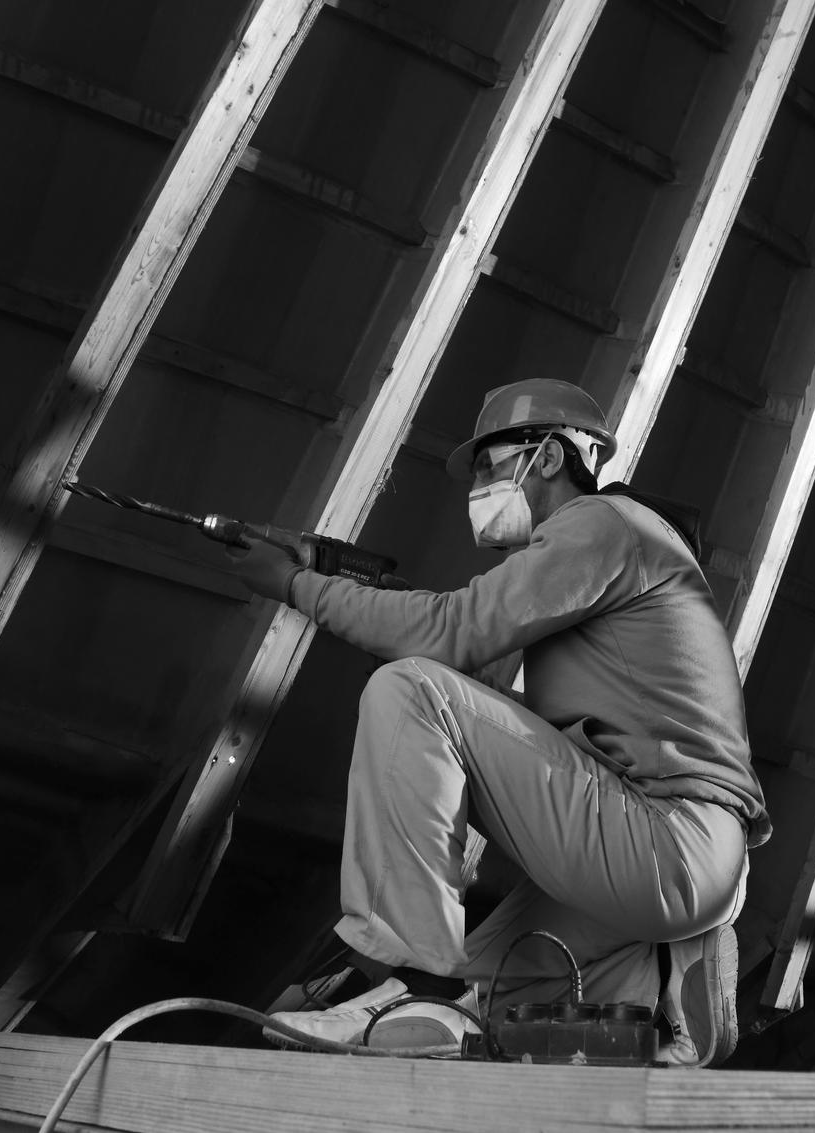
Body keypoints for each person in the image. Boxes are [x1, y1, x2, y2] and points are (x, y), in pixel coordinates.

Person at [226, 378, 768, 1065]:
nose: (477, 485)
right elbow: (477, 696)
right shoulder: (621, 553)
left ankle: (409, 975)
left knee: (409, 690)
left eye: (488, 463)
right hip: (677, 867)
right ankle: (661, 995)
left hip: (661, 843)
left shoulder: (602, 523)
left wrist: (295, 585)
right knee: (487, 997)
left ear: (546, 457)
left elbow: (449, 642)